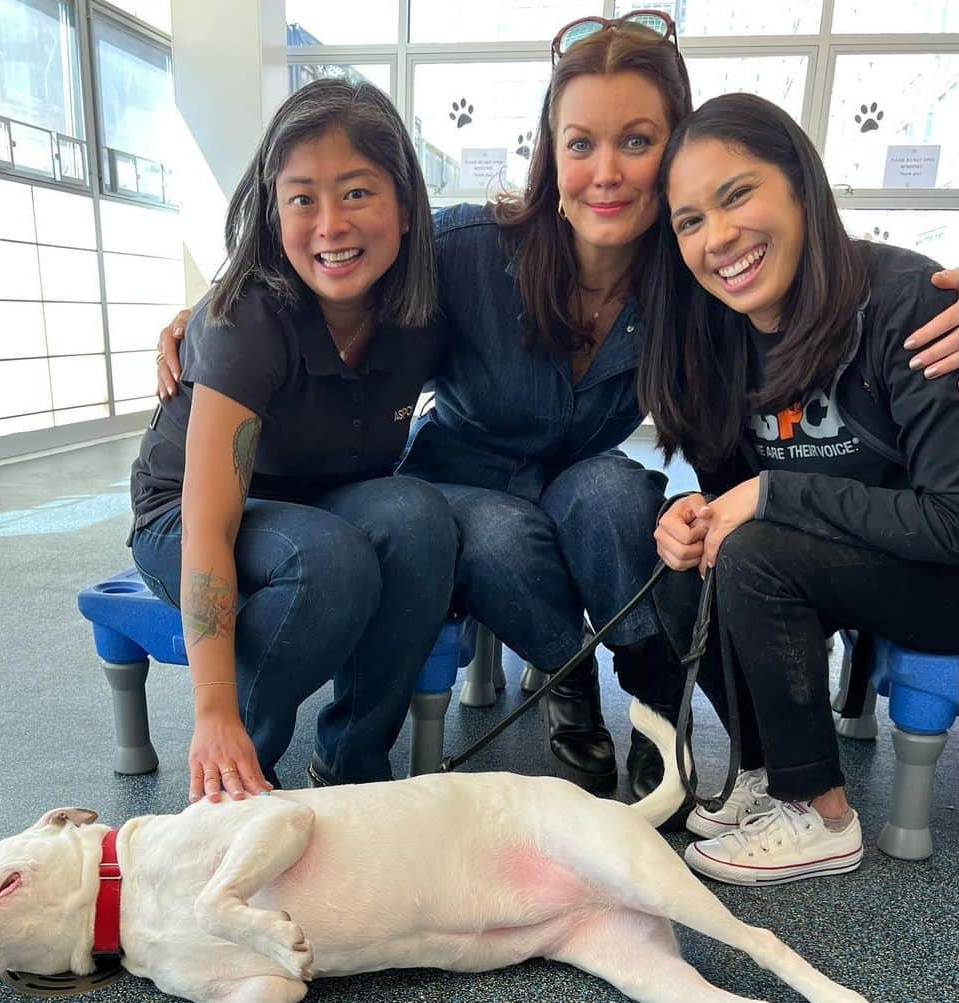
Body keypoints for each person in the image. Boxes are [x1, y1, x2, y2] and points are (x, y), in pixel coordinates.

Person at [156, 15, 959, 810]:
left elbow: (814, 273)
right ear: (552, 154)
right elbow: (341, 260)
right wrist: (210, 321)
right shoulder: (469, 249)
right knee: (498, 532)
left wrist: (928, 297)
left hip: (574, 477)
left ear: (675, 154)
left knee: (618, 496)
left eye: (638, 142)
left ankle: (652, 712)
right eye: (580, 145)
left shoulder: (695, 275)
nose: (605, 172)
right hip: (460, 479)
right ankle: (570, 680)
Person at [639, 92, 959, 885]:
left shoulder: (910, 305)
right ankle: (763, 769)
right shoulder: (720, 336)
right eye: (689, 221)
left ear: (800, 186)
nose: (719, 238)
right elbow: (734, 495)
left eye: (737, 194)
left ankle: (820, 815)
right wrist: (691, 517)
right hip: (832, 567)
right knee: (698, 556)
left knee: (753, 548)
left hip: (937, 576)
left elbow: (951, 523)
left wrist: (773, 497)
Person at [130, 79, 457, 803]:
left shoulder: (424, 303)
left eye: (358, 193)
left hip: (320, 502)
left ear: (404, 205)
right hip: (187, 519)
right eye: (303, 198)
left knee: (419, 517)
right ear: (274, 212)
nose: (331, 225)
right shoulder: (247, 318)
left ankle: (352, 768)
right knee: (330, 561)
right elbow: (209, 524)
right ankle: (235, 785)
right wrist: (213, 712)